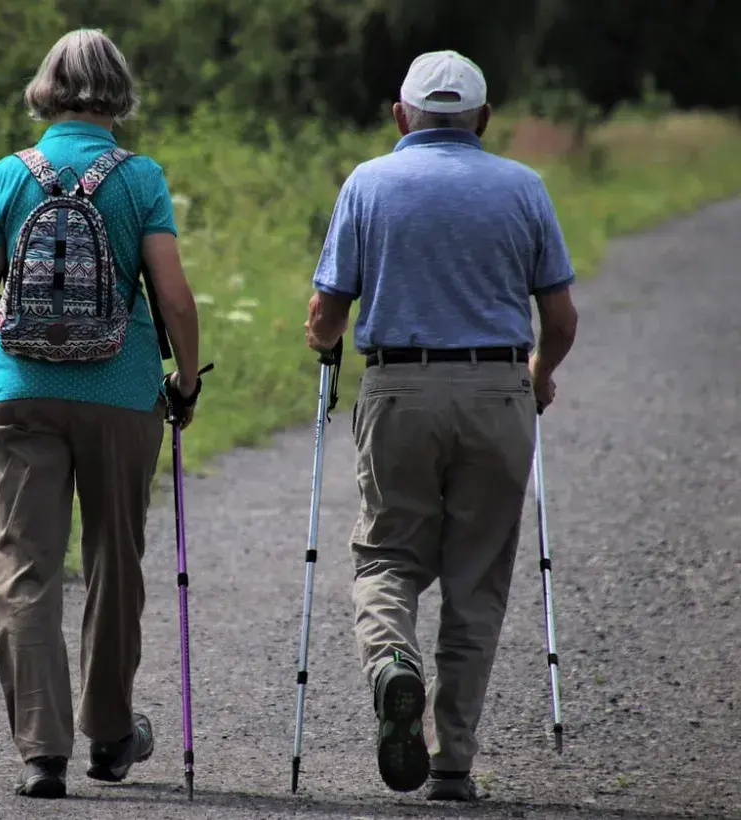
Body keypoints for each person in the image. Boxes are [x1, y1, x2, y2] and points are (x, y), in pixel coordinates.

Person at [303, 50, 579, 801]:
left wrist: (322, 341)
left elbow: (327, 314)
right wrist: (539, 375)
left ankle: (394, 662)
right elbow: (559, 318)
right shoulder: (524, 188)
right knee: (476, 579)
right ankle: (453, 759)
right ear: (484, 120)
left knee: (387, 556)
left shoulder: (369, 183)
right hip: (497, 392)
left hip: (398, 390)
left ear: (402, 115)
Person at [0, 28, 203, 799]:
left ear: (47, 89)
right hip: (122, 391)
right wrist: (185, 382)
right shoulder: (140, 178)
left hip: (20, 393)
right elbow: (171, 296)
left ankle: (42, 753)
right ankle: (110, 735)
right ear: (118, 90)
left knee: (24, 567)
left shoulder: (9, 173)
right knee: (113, 563)